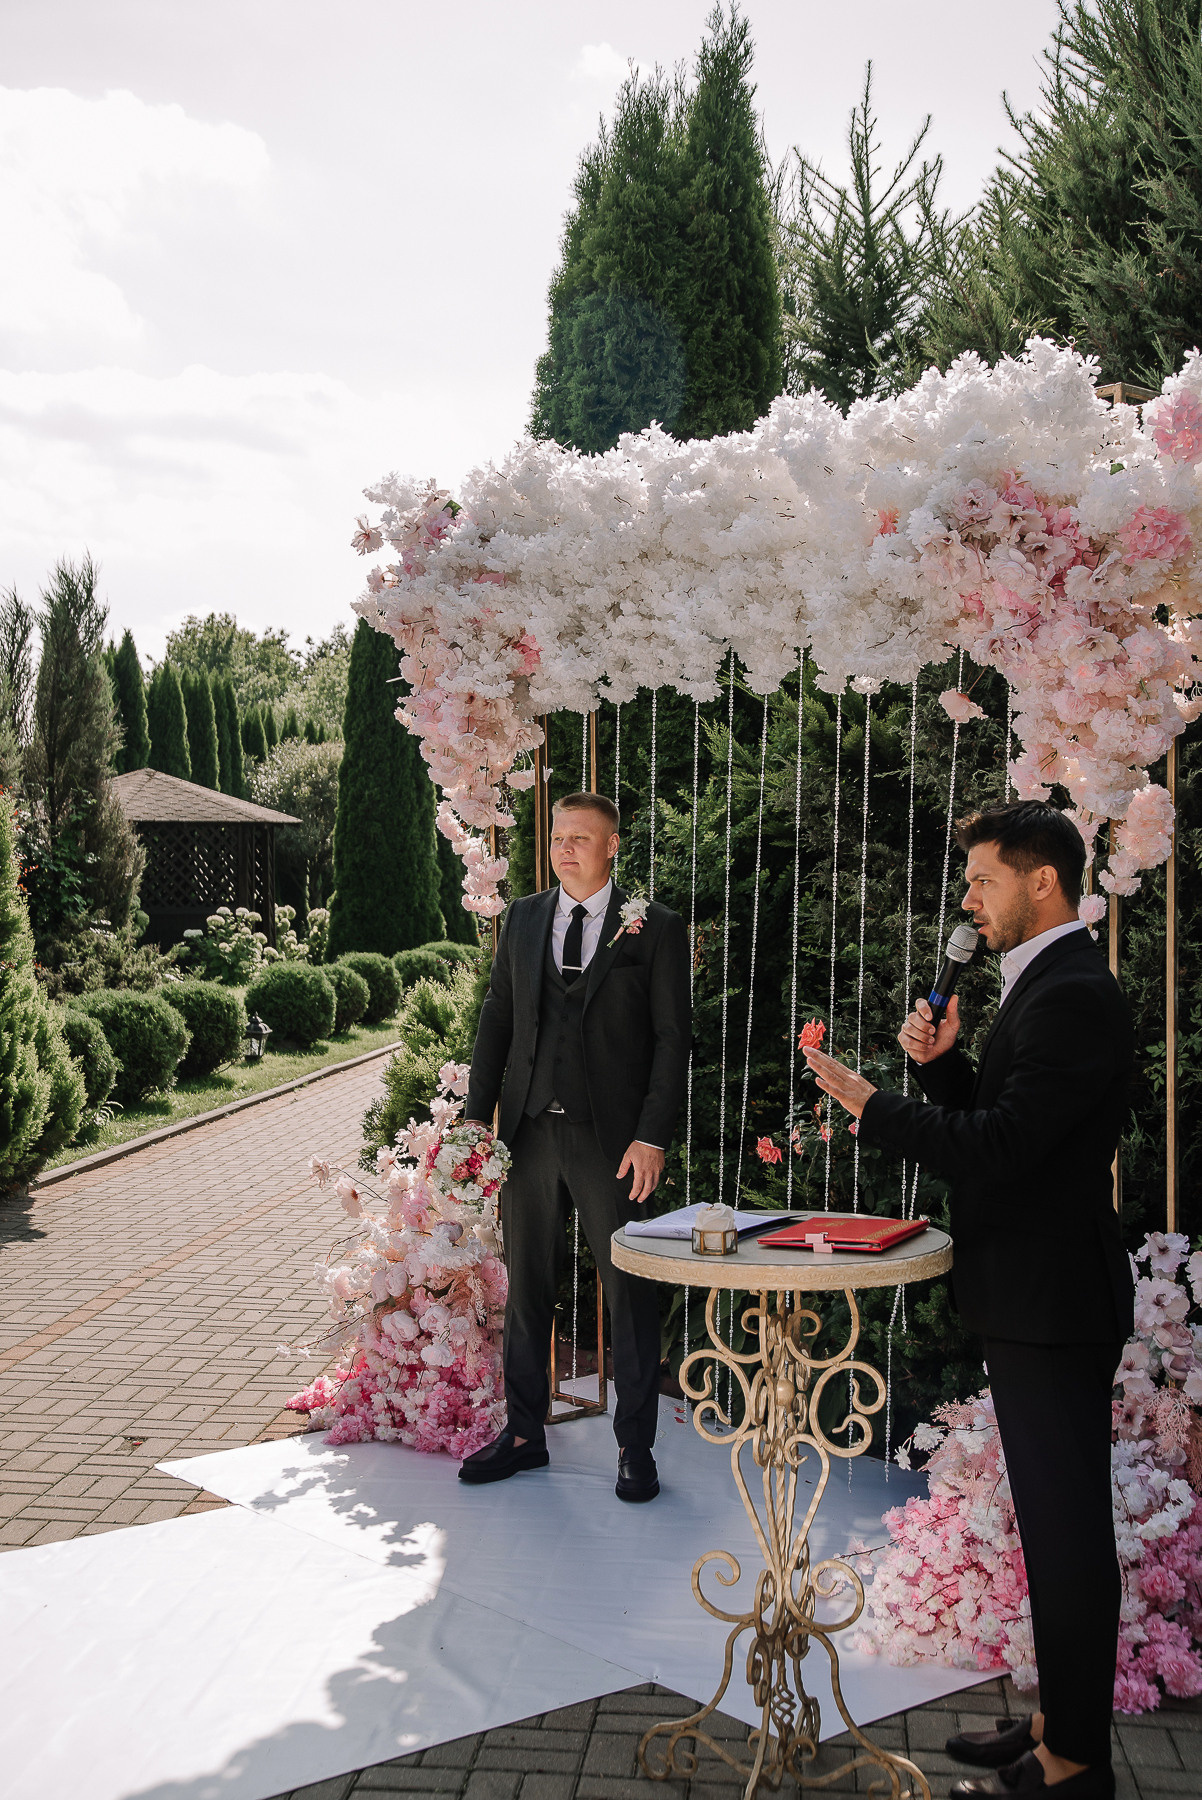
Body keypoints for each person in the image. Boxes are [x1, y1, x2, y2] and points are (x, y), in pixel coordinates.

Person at [803, 800, 1133, 1800]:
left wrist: (875, 1105)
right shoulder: (1046, 981)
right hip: (1029, 1295)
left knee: (1068, 1536)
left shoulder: (1074, 992)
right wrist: (946, 1068)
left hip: (1052, 1301)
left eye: (984, 880)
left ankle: (1073, 1763)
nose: (969, 901)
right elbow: (1007, 1124)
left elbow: (1001, 1149)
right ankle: (1054, 1720)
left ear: (1043, 881)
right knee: (1050, 1529)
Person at [458, 790, 692, 1503]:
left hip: (612, 1141)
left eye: (581, 838)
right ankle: (524, 1434)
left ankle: (635, 1447)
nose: (565, 849)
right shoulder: (524, 918)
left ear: (612, 846)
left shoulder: (655, 927)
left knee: (629, 1292)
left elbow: (672, 1040)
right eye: (559, 837)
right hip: (529, 1134)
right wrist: (476, 1118)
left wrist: (652, 1135)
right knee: (527, 1289)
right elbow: (498, 1016)